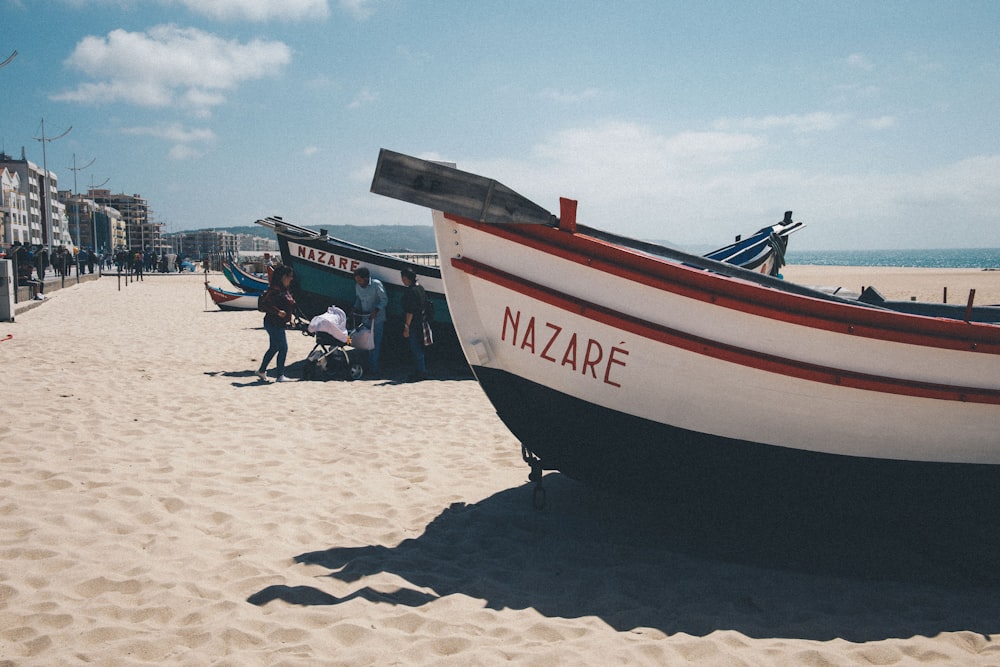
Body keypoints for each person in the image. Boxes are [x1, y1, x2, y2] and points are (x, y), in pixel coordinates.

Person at [256, 265, 296, 383]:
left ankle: (261, 371)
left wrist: (291, 318)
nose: (291, 279)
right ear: (283, 277)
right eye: (290, 277)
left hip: (277, 323)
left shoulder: (285, 290)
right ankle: (280, 375)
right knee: (283, 347)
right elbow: (266, 304)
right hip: (273, 323)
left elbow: (289, 306)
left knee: (274, 347)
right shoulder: (275, 290)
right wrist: (278, 312)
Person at [352, 267, 388, 376]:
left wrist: (376, 310)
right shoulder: (357, 286)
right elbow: (359, 299)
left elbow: (384, 299)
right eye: (357, 281)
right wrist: (354, 307)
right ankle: (365, 366)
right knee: (363, 344)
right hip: (365, 319)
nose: (358, 283)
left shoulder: (376, 284)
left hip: (377, 320)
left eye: (360, 280)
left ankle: (374, 369)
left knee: (374, 345)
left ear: (367, 278)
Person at [400, 268, 428, 381]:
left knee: (415, 347)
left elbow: (410, 312)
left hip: (414, 323)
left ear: (406, 278)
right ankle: (420, 370)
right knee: (419, 347)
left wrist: (406, 327)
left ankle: (420, 371)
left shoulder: (411, 292)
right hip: (422, 321)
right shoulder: (420, 289)